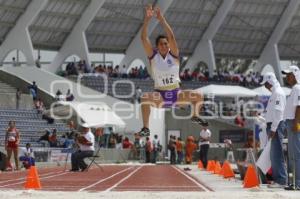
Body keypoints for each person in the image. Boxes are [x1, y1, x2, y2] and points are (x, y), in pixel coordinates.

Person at [138, 5, 205, 137]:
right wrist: (147, 20)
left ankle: (195, 115)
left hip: (176, 94)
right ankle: (146, 128)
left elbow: (172, 37)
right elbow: (143, 39)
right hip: (160, 95)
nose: (164, 45)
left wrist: (161, 19)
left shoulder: (173, 54)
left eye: (166, 43)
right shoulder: (153, 56)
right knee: (145, 98)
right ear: (157, 46)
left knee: (199, 95)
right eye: (161, 44)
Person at [261, 72, 287, 188]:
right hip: (273, 126)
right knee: (274, 154)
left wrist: (273, 129)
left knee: (277, 154)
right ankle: (278, 179)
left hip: (275, 126)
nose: (265, 86)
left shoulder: (278, 93)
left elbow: (279, 113)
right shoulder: (274, 93)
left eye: (266, 84)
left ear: (270, 81)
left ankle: (281, 180)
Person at [282, 65, 300, 190]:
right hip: (291, 122)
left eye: (289, 75)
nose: (287, 77)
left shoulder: (297, 88)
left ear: (295, 75)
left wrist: (296, 122)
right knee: (293, 154)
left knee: (296, 154)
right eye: (286, 75)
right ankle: (294, 182)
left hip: (294, 123)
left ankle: (298, 182)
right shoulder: (295, 88)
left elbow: (299, 106)